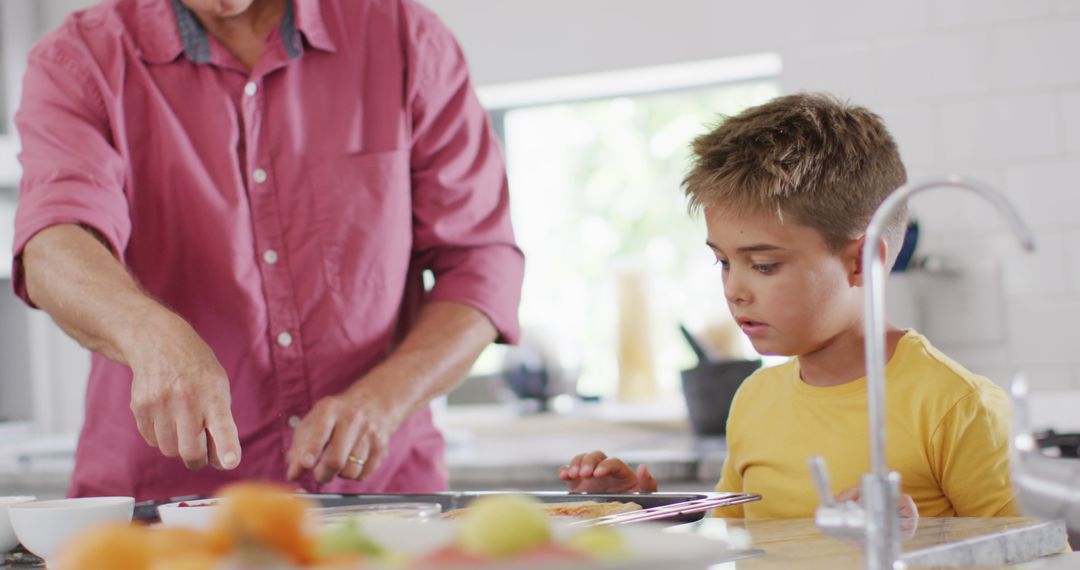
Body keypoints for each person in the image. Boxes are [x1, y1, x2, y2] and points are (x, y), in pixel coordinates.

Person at [12, 0, 523, 500]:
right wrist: (150, 334)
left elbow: (481, 264)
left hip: (377, 506)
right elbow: (54, 242)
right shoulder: (79, 56)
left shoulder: (406, 36)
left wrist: (384, 399)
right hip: (160, 511)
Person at [559, 93, 1017, 519]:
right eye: (722, 262)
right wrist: (641, 512)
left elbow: (1032, 558)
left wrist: (918, 544)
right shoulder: (755, 400)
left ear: (862, 261)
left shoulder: (957, 407)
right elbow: (733, 543)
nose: (734, 290)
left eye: (763, 265)